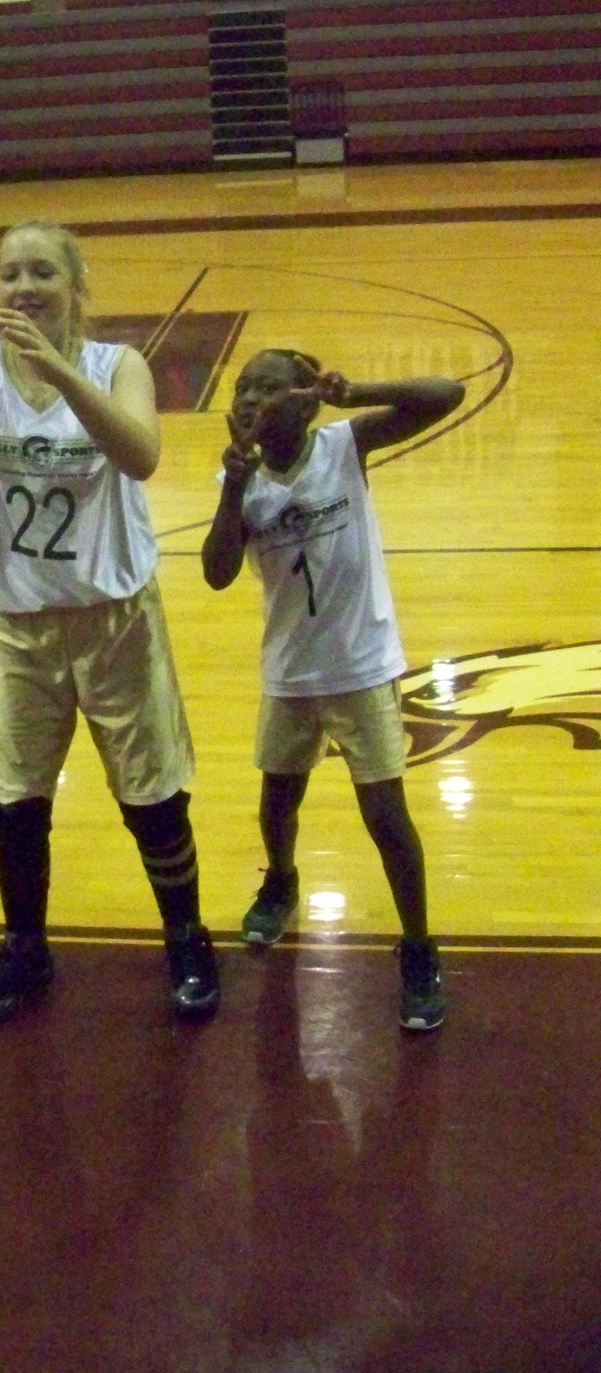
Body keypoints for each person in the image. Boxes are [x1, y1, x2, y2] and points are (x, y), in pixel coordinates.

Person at [0, 221, 219, 1026]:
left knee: (153, 798)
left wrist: (60, 372)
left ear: (75, 287)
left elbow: (141, 454)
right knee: (15, 804)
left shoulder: (117, 366)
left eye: (42, 273)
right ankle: (25, 946)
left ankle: (187, 937)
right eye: (11, 275)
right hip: (17, 623)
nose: (24, 288)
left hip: (115, 619)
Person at [200, 349, 465, 1031]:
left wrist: (358, 391)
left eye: (268, 387)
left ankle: (418, 948)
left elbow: (447, 391)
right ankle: (281, 880)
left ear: (305, 401)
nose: (250, 398)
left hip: (361, 664)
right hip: (290, 671)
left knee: (386, 817)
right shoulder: (241, 479)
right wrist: (233, 486)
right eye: (243, 388)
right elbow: (217, 573)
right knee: (276, 803)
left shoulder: (344, 445)